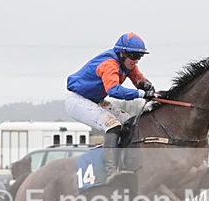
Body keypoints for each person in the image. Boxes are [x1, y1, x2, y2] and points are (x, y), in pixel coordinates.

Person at [65, 33, 156, 183]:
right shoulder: (110, 64)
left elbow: (138, 79)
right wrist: (141, 93)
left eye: (139, 56)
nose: (136, 60)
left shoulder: (128, 64)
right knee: (112, 126)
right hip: (77, 100)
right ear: (121, 53)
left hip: (95, 100)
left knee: (130, 123)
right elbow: (114, 90)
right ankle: (111, 172)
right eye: (133, 55)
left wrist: (147, 86)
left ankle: (126, 163)